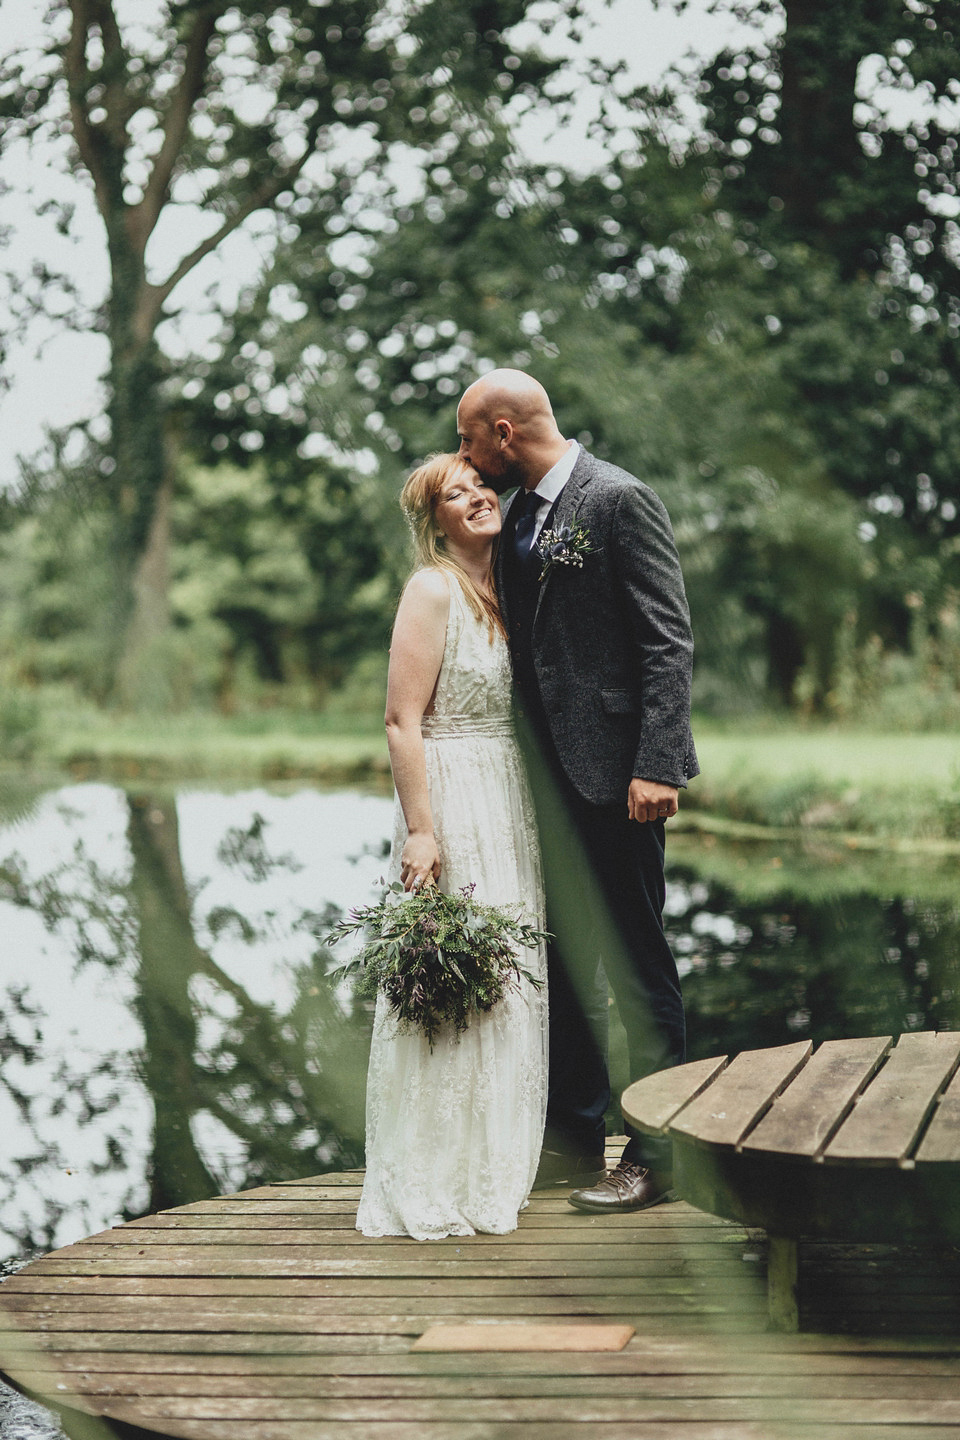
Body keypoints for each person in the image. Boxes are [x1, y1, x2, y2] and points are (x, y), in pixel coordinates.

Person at [456, 369, 698, 1214]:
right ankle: (570, 1143)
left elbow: (668, 641)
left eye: (467, 439)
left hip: (619, 773)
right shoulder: (520, 513)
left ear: (502, 430)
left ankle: (658, 1153)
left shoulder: (618, 499)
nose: (465, 455)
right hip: (540, 782)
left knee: (636, 963)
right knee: (561, 962)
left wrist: (659, 764)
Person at [356, 453, 548, 1241]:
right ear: (433, 519)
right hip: (455, 794)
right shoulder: (432, 589)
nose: (474, 498)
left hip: (513, 800)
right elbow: (403, 719)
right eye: (453, 495)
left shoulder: (516, 583)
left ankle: (494, 1166)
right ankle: (433, 1173)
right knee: (459, 983)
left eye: (479, 486)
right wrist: (423, 831)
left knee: (512, 984)